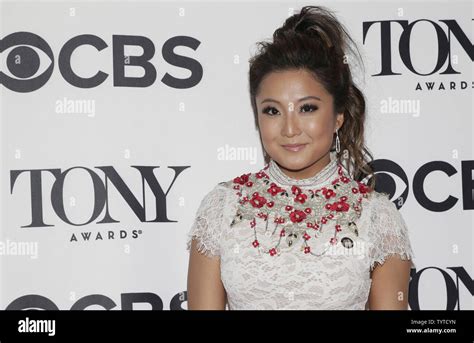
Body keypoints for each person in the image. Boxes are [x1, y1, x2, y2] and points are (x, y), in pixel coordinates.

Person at [186, 5, 414, 310]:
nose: (290, 129)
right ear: (257, 117)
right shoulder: (221, 208)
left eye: (307, 108)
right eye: (272, 110)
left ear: (338, 117)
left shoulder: (378, 218)